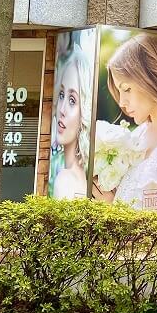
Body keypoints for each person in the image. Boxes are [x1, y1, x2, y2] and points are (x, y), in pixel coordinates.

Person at [92, 34, 157, 209]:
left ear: (152, 79)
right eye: (119, 91)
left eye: (127, 89)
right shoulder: (137, 134)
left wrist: (111, 206)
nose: (121, 102)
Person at [50, 44, 92, 199]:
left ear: (85, 112)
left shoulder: (65, 180)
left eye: (72, 100)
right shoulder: (81, 176)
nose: (62, 109)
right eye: (62, 95)